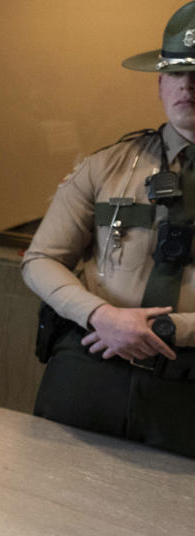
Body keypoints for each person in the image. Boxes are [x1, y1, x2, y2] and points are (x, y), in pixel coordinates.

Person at [21, 2, 195, 458]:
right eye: (176, 73)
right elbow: (41, 260)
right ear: (160, 84)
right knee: (47, 497)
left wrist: (171, 329)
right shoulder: (108, 165)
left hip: (188, 379)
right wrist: (103, 317)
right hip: (93, 360)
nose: (188, 85)